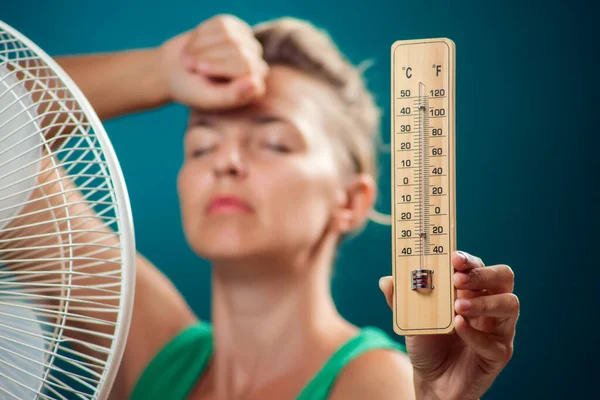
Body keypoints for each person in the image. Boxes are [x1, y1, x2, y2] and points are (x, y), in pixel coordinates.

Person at [13, 15, 520, 399]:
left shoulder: (377, 382)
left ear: (351, 201)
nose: (226, 162)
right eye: (201, 146)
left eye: (274, 143)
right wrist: (165, 69)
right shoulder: (147, 347)